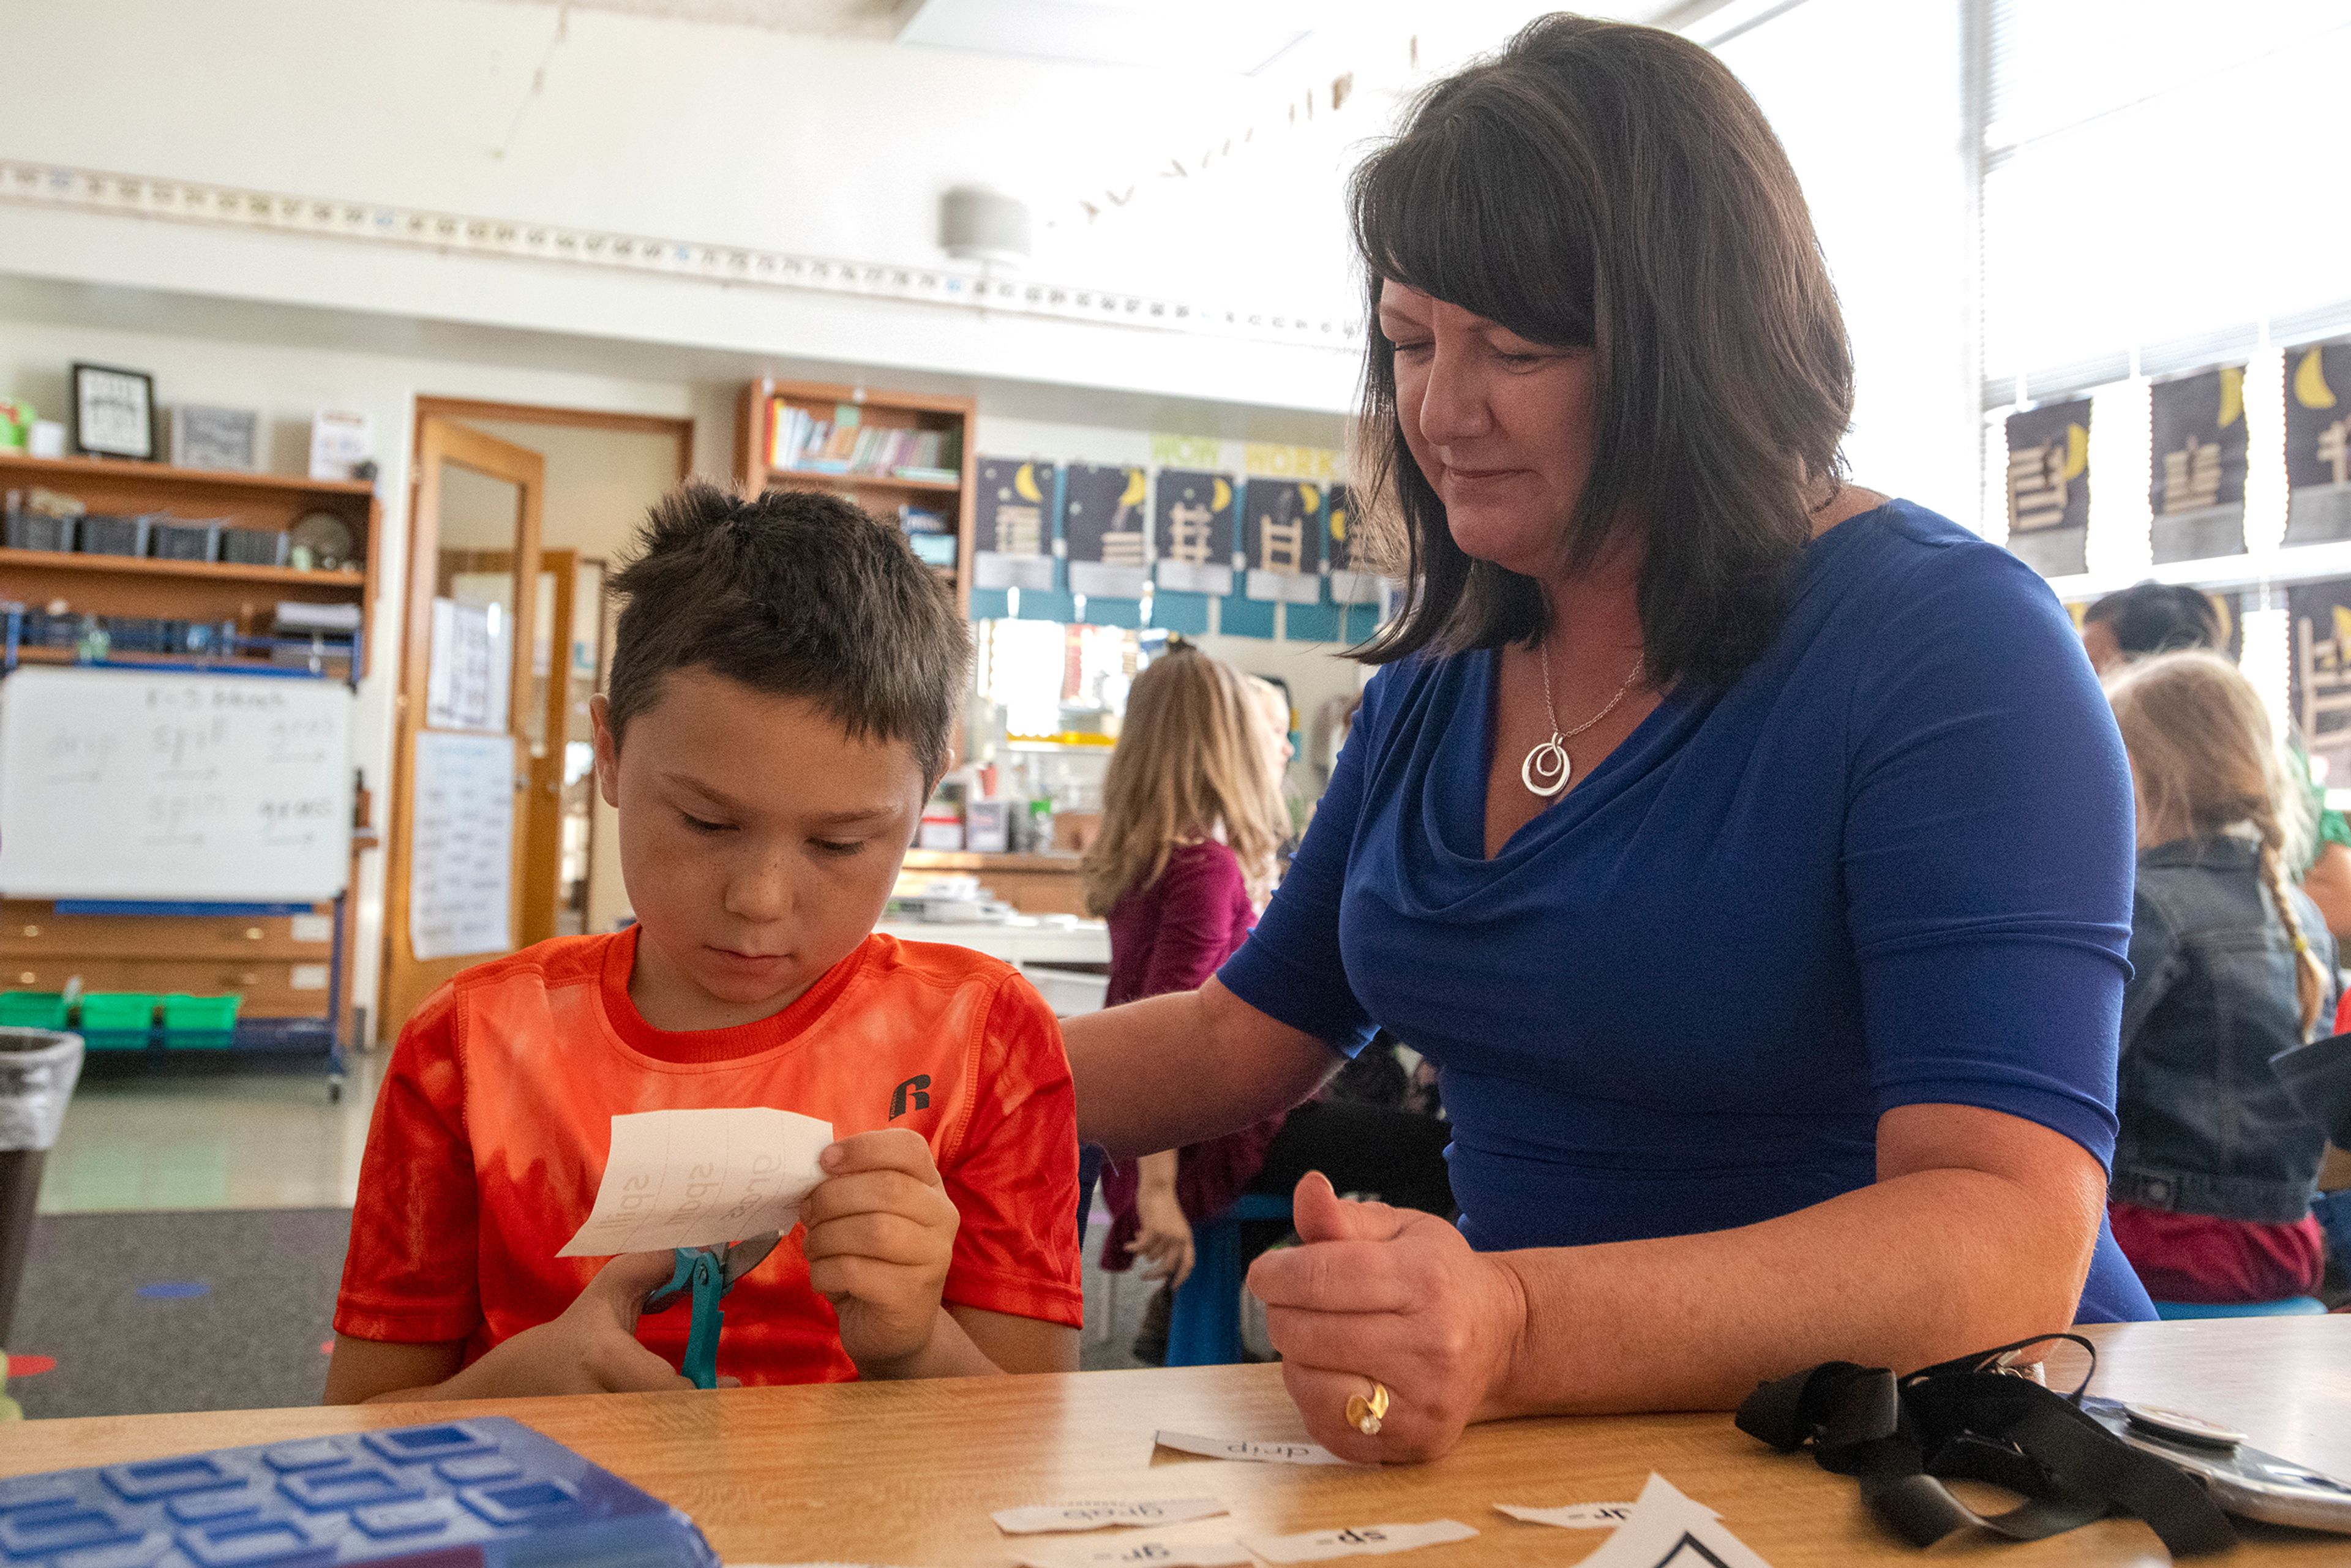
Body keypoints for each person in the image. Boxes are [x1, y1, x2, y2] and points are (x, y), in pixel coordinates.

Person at [1063, 15, 2154, 1463]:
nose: (1441, 409)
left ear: (1690, 348)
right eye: (1407, 340)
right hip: (1589, 1446)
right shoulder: (1443, 676)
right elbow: (1236, 1030)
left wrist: (1512, 1320)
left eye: (1512, 347)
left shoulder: (1947, 648)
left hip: (1933, 1453)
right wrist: (868, 1064)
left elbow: (2004, 1228)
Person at [326, 484, 1081, 1401]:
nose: (759, 900)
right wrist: (513, 1390)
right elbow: (357, 1429)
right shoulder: (471, 1046)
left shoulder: (984, 1037)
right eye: (704, 821)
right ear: (608, 753)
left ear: (927, 797)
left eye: (839, 844)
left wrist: (914, 1345)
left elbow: (1039, 1435)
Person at [1085, 648, 1452, 1363]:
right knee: (1435, 1158)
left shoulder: (1153, 854)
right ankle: (1364, 1339)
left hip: (1167, 1136)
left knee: (1356, 1138)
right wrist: (1159, 1192)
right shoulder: (1205, 865)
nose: (1278, 744)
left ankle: (1191, 1314)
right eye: (1264, 729)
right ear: (1226, 744)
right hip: (1199, 1137)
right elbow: (1178, 1040)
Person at [2102, 651, 2338, 1304]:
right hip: (2287, 1240)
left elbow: (2073, 1076)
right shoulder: (2303, 913)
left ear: (2144, 779)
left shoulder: (2149, 903)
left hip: (2167, 1240)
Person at [2079, 580, 2351, 940]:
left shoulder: (2264, 765)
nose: (2085, 692)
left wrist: (2219, 923)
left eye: (2096, 672)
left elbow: (2344, 899)